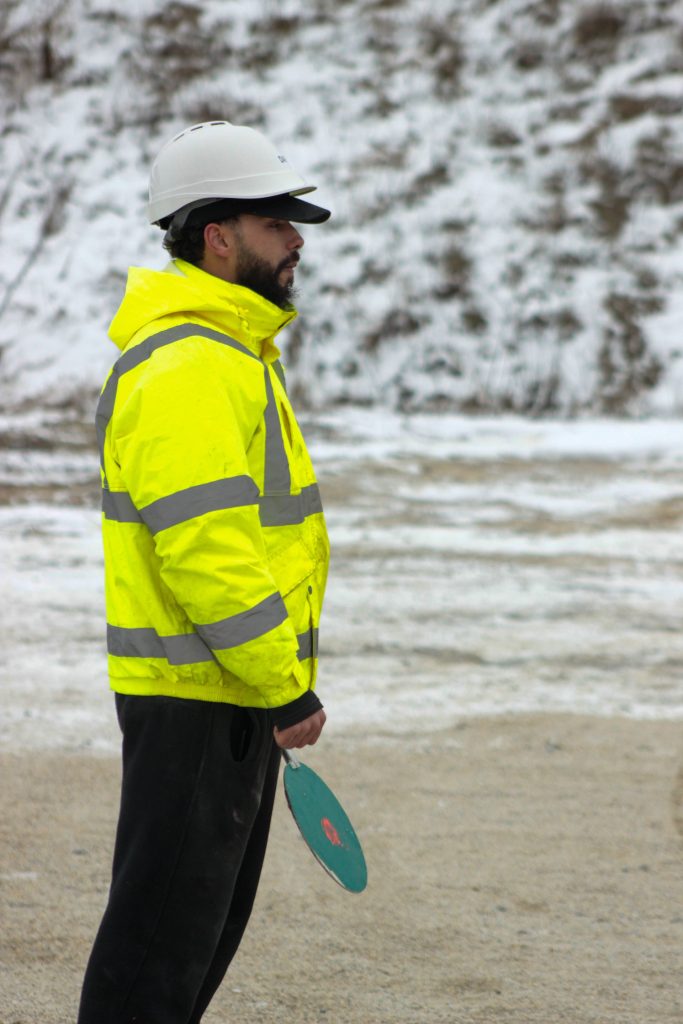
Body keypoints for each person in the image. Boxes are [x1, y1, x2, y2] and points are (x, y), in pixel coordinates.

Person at [78, 121, 332, 1024]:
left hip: (221, 692)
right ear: (217, 236)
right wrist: (282, 685)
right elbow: (207, 553)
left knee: (192, 941)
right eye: (276, 223)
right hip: (203, 693)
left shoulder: (230, 357)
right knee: (159, 952)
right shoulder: (189, 367)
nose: (298, 239)